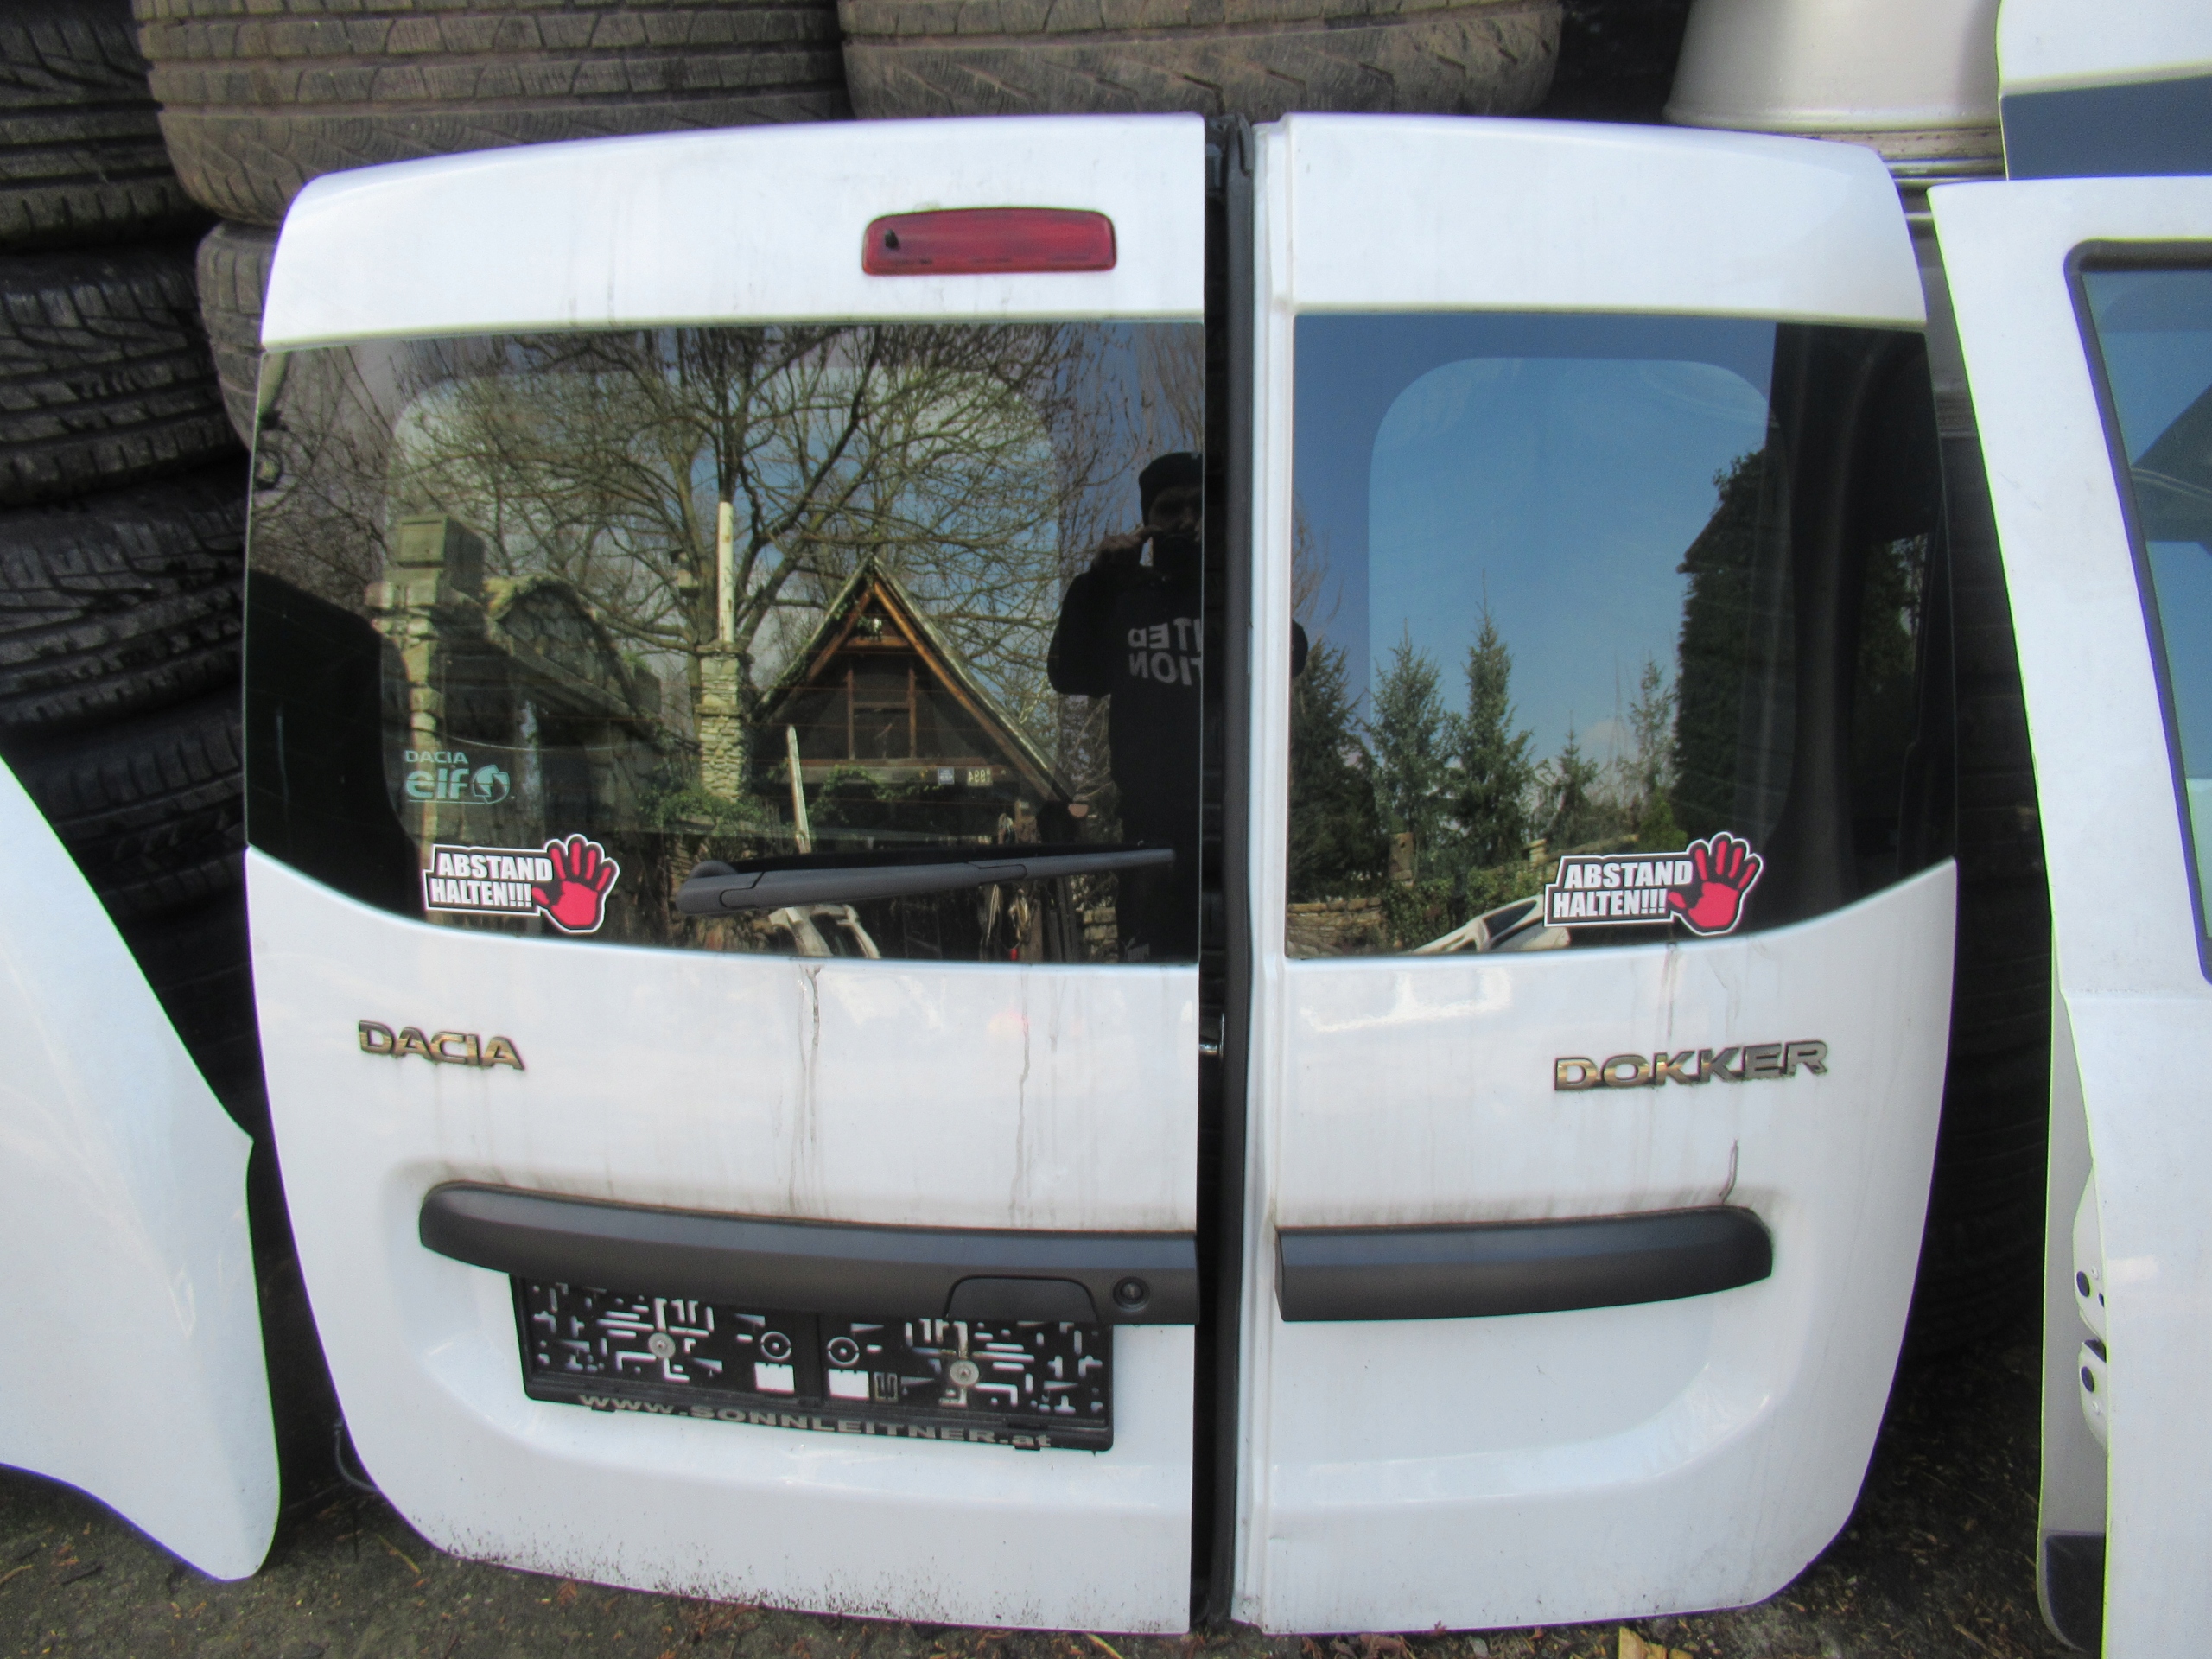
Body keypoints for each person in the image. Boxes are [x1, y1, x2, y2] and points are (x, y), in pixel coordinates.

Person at [1047, 453, 1307, 961]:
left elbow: (1290, 655)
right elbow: (1069, 672)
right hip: (1149, 846)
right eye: (1169, 509)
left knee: (1236, 975)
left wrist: (1231, 573)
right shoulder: (1126, 600)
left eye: (1198, 507)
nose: (1186, 521)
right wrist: (1097, 582)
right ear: (1147, 523)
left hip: (1231, 841)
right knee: (1152, 979)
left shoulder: (1233, 597)